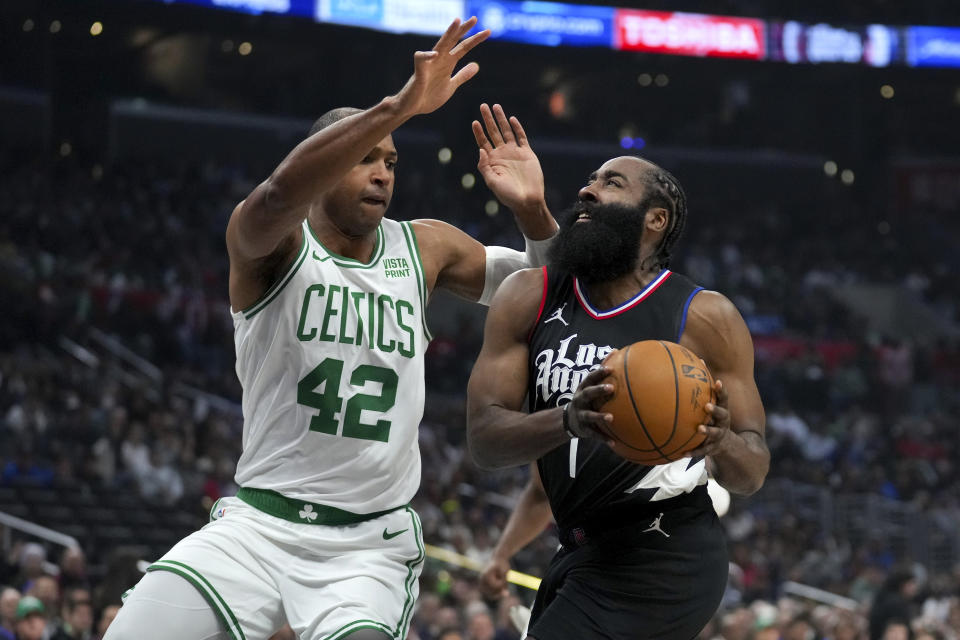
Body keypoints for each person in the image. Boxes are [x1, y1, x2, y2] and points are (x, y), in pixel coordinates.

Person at [105, 16, 558, 640]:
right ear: (325, 166)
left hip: (365, 546)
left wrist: (534, 214)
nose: (382, 173)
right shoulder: (274, 245)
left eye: (392, 161)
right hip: (257, 526)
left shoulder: (425, 249)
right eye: (366, 158)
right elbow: (274, 199)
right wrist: (397, 107)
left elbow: (550, 292)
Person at [467, 155, 769, 639]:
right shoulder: (528, 295)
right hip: (578, 549)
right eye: (588, 180)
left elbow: (752, 472)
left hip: (665, 549)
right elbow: (484, 441)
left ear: (656, 219)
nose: (588, 191)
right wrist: (568, 420)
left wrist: (721, 441)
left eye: (611, 183)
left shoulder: (705, 316)